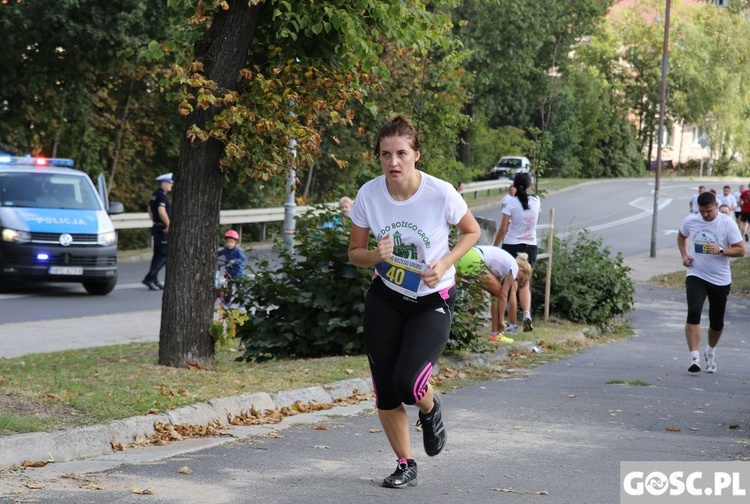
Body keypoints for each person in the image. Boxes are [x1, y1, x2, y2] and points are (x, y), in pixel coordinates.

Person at [347, 114, 481, 489]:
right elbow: (354, 252)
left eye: (401, 153)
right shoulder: (368, 194)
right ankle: (405, 463)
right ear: (378, 156)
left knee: (409, 383)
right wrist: (375, 255)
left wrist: (445, 262)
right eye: (385, 154)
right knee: (386, 387)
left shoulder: (439, 192)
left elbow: (472, 231)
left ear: (416, 155)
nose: (393, 162)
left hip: (431, 299)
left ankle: (430, 408)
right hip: (386, 297)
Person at [677, 191, 744, 374]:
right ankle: (694, 357)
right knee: (694, 311)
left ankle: (710, 350)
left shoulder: (727, 224)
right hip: (696, 273)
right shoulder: (691, 220)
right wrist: (684, 255)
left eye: (708, 211)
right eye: (702, 211)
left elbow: (741, 250)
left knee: (717, 322)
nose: (705, 215)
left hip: (720, 279)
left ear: (716, 205)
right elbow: (681, 236)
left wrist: (721, 250)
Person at [492, 172, 540, 333]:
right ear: (529, 186)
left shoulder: (510, 203)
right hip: (530, 246)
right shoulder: (536, 201)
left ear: (514, 185)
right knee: (524, 284)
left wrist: (495, 245)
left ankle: (512, 325)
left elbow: (503, 229)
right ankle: (527, 314)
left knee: (510, 286)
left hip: (511, 245)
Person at [455, 246, 533, 343]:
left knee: (478, 298)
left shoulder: (502, 267)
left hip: (464, 256)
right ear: (521, 270)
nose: (516, 280)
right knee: (498, 294)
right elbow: (503, 295)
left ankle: (459, 327)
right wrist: (501, 320)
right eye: (519, 278)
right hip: (473, 259)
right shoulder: (515, 267)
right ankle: (496, 334)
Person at [142, 173, 173, 290]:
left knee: (157, 255)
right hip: (162, 229)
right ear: (164, 183)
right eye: (170, 183)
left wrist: (154, 221)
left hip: (157, 226)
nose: (172, 185)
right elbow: (161, 211)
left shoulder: (155, 195)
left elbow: (150, 209)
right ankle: (149, 278)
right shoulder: (161, 195)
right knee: (165, 254)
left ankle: (154, 279)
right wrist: (168, 225)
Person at [217, 229, 246, 305]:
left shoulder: (237, 250)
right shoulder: (225, 249)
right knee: (228, 289)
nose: (229, 244)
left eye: (231, 242)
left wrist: (235, 261)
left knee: (239, 289)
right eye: (227, 242)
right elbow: (219, 253)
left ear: (235, 243)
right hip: (229, 273)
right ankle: (227, 301)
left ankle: (242, 302)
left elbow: (242, 259)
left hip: (238, 273)